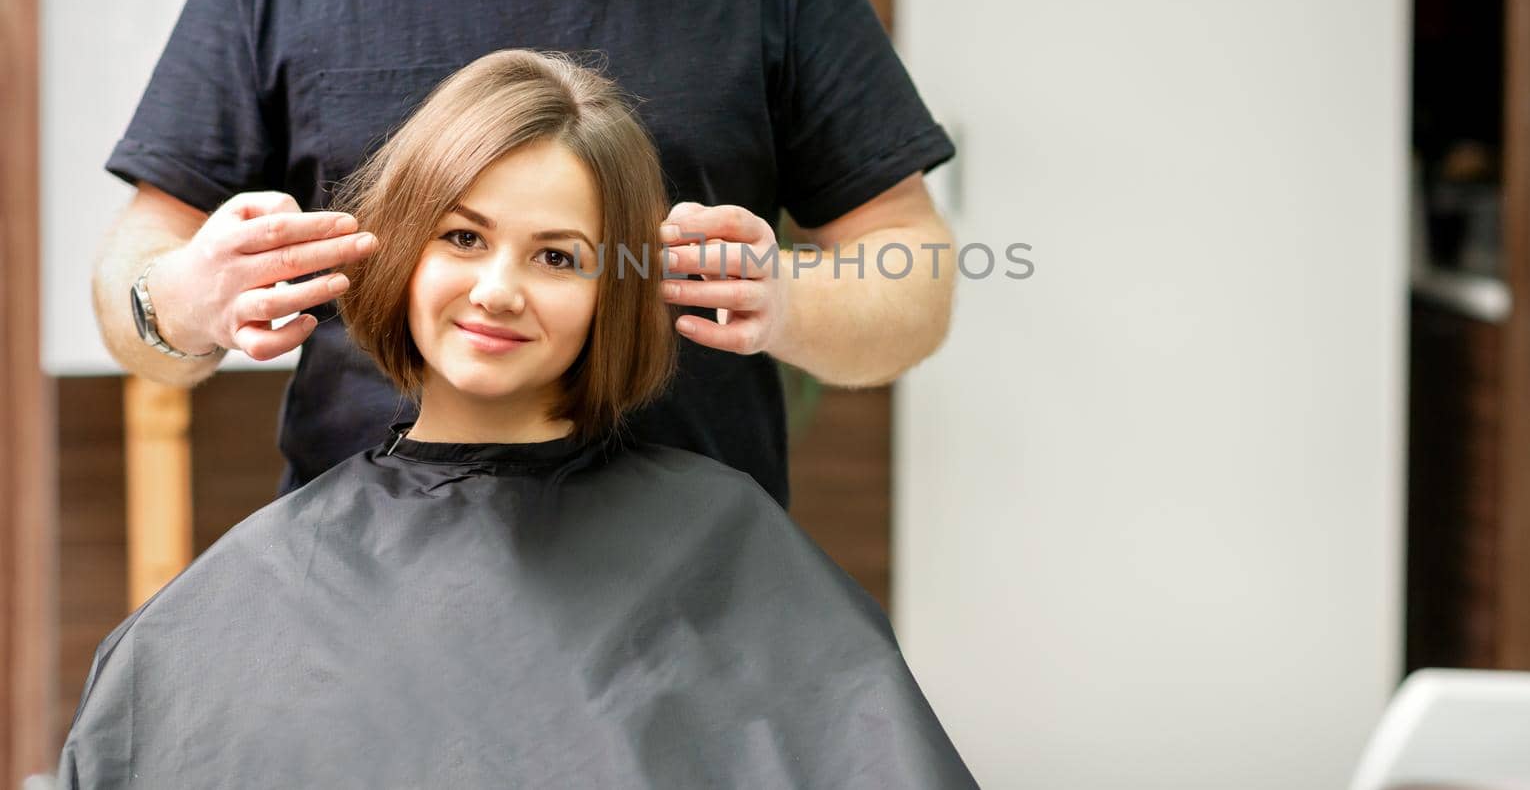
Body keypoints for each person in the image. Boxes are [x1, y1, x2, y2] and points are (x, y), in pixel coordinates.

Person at [90, 0, 957, 507]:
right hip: (361, 595)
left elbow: (914, 271)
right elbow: (135, 269)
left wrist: (791, 304)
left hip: (687, 602)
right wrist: (177, 299)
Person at [59, 51, 978, 789]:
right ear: (402, 251)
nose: (497, 290)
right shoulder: (245, 601)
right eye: (462, 237)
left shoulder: (732, 561)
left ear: (612, 294)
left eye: (557, 255)